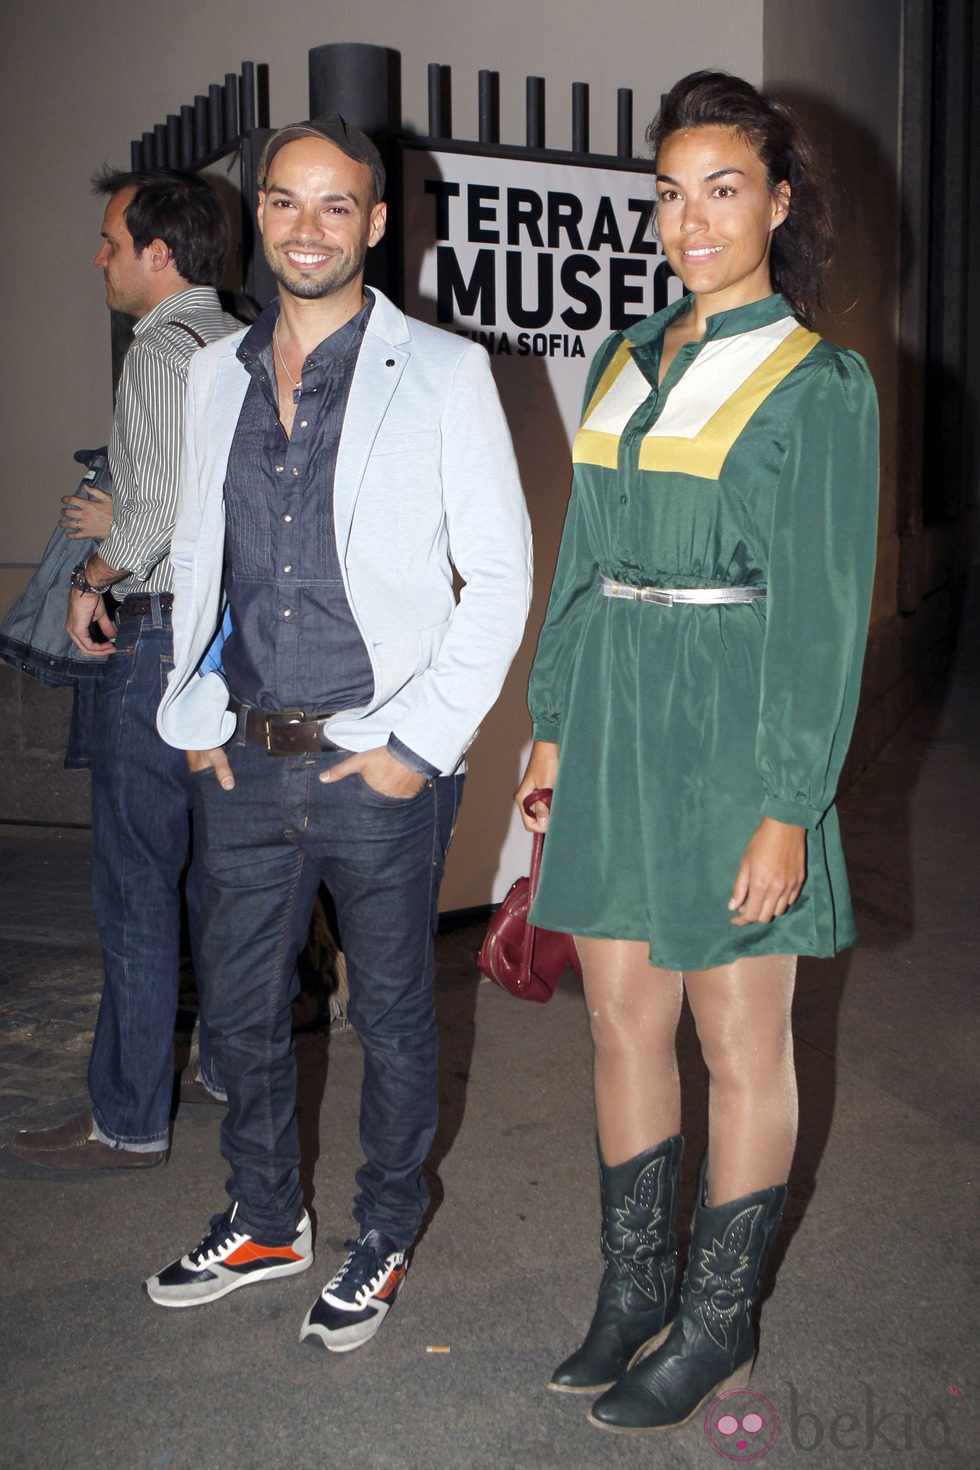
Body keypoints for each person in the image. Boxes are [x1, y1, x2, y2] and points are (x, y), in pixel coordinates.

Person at [516, 71, 878, 1433]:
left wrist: (790, 802)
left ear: (779, 205)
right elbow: (582, 560)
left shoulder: (819, 382)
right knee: (620, 1016)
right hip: (612, 710)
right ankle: (632, 1288)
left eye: (722, 190)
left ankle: (718, 1320)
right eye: (670, 194)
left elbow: (828, 615)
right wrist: (551, 718)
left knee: (740, 1034)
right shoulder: (626, 356)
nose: (690, 220)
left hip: (738, 726)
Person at [145, 117, 531, 1352]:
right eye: (281, 202)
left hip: (379, 761)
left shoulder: (445, 370)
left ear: (373, 223)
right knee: (245, 1014)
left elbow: (504, 577)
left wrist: (418, 746)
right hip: (244, 757)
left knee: (396, 1019)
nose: (304, 227)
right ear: (257, 216)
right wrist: (194, 712)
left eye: (334, 206)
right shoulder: (215, 371)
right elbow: (203, 560)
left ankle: (381, 1229)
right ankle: (265, 1217)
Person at [10, 169, 240, 1169]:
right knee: (219, 884)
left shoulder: (158, 350)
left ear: (158, 253)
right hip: (231, 648)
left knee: (136, 888)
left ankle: (128, 1120)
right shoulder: (240, 338)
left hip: (153, 640)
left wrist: (92, 573)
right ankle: (227, 1071)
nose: (98, 259)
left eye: (110, 241)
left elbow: (152, 520)